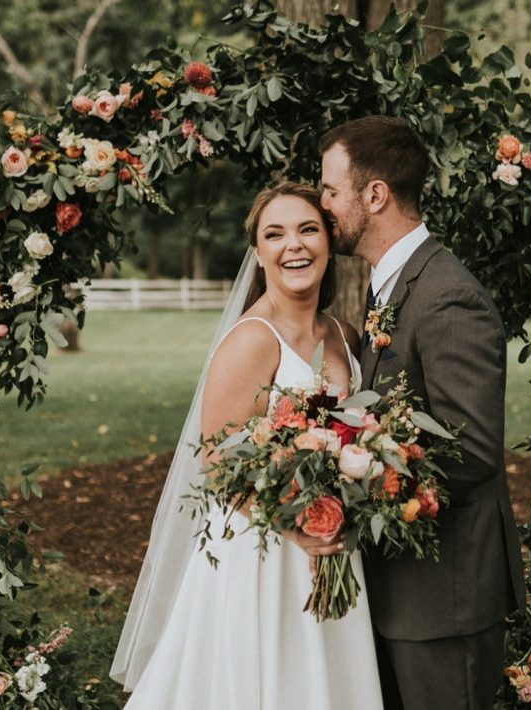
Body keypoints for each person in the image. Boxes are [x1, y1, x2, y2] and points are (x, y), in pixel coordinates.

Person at [111, 182, 383, 709]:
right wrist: (297, 528)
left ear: (329, 239)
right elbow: (216, 465)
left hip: (331, 546)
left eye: (308, 229)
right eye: (274, 235)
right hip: (264, 555)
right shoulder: (251, 340)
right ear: (258, 253)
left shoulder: (343, 336)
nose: (294, 246)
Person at [319, 116, 527, 710]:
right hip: (400, 589)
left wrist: (354, 475)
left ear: (375, 194)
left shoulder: (447, 296)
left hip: (445, 599)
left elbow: (472, 450)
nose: (325, 202)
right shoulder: (391, 285)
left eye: (332, 190)